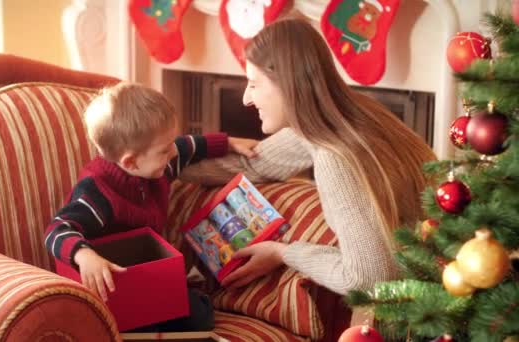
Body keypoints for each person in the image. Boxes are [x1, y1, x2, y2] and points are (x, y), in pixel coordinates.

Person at [180, 18, 437, 295]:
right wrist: (167, 159)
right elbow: (250, 163)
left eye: (254, 84)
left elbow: (366, 278)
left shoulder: (335, 158)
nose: (246, 99)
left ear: (286, 85)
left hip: (414, 312)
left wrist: (285, 253)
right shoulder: (346, 116)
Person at [44, 82, 257, 331]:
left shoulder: (156, 165)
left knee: (198, 315)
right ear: (131, 161)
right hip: (111, 287)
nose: (172, 154)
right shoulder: (97, 191)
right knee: (183, 316)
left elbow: (187, 147)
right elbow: (56, 230)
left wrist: (227, 143)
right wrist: (85, 255)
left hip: (146, 274)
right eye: (165, 149)